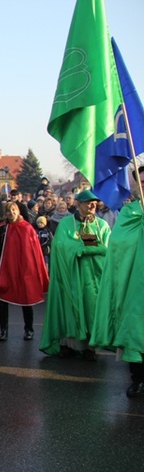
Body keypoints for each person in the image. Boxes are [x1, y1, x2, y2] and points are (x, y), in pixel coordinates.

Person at [90, 168, 144, 397]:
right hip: (134, 286)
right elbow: (119, 246)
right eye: (140, 181)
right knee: (134, 330)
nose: (142, 185)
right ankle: (137, 379)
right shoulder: (129, 214)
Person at [40, 190, 111, 361]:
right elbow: (60, 246)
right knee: (69, 308)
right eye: (88, 202)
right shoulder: (66, 224)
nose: (93, 205)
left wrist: (85, 248)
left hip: (92, 279)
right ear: (79, 204)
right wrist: (76, 248)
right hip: (69, 276)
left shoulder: (102, 225)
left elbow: (107, 248)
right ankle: (69, 345)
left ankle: (90, 347)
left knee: (90, 310)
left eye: (94, 202)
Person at [0, 202, 49, 342]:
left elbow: (35, 251)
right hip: (6, 269)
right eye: (8, 211)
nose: (11, 213)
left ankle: (29, 330)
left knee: (26, 300)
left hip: (24, 269)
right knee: (2, 300)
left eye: (13, 210)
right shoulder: (2, 228)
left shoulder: (27, 228)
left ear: (18, 211)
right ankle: (3, 331)